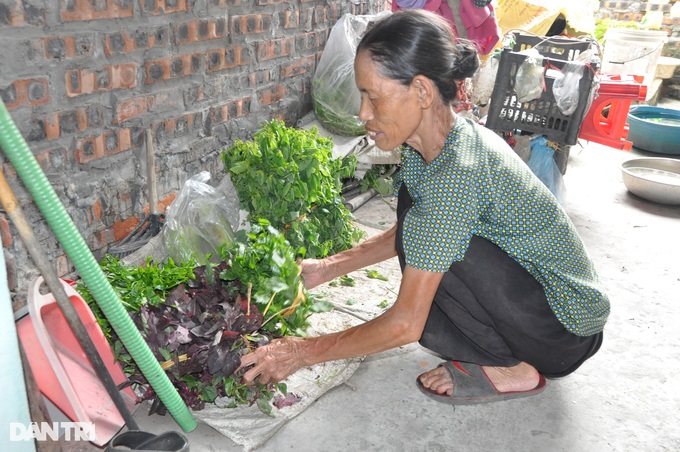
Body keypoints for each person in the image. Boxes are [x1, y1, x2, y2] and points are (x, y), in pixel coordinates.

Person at [239, 10, 610, 405]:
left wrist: (300, 351)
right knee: (419, 220)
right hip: (538, 307)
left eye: (373, 96)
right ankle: (500, 349)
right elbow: (414, 228)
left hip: (561, 331)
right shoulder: (433, 144)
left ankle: (512, 366)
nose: (363, 112)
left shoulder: (457, 172)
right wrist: (327, 268)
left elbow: (405, 324)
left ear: (421, 92)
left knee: (440, 251)